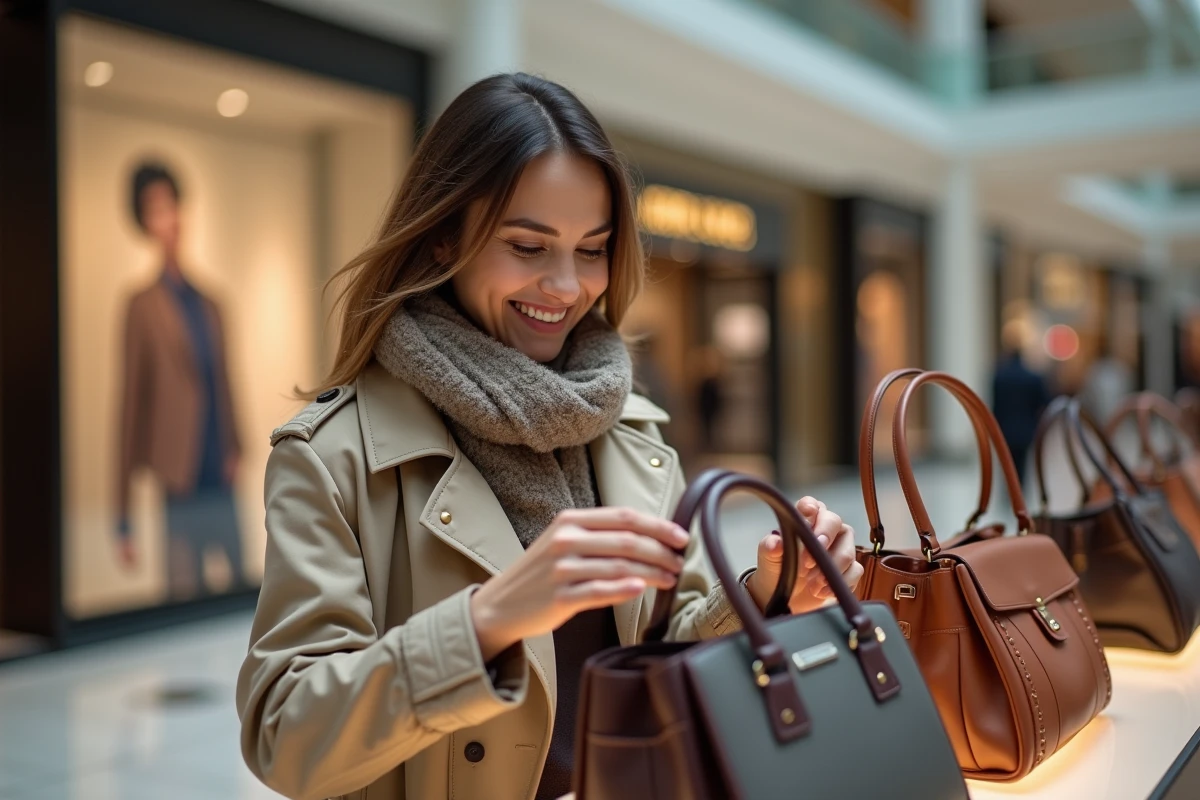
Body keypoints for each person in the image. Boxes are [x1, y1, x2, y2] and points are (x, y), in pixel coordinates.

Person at [236, 74, 862, 800]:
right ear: (443, 237)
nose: (566, 286)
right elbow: (285, 737)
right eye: (529, 247)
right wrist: (487, 621)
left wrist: (768, 590)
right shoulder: (333, 456)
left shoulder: (630, 427)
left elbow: (664, 649)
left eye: (591, 250)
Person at [117, 162, 245, 598]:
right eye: (155, 209)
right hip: (178, 477)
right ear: (144, 223)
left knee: (240, 594)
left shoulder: (210, 302)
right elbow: (129, 406)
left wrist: (237, 448)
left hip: (221, 474)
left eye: (171, 205)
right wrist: (122, 517)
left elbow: (225, 385)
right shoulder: (141, 306)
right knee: (183, 595)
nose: (168, 218)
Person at [991, 321, 1052, 490]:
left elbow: (995, 405)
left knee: (1007, 464)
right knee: (1022, 466)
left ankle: (1009, 492)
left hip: (1005, 429)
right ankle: (1020, 493)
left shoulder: (1000, 376)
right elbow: (1044, 403)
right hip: (1026, 429)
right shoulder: (1032, 377)